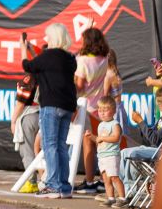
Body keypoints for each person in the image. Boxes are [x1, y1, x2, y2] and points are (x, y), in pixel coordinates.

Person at [21, 24, 78, 199]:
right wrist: (31, 49)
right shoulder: (69, 59)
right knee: (61, 146)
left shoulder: (48, 56)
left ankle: (53, 185)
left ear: (53, 38)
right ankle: (64, 186)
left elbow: (28, 66)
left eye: (47, 36)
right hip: (67, 105)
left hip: (51, 105)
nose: (46, 39)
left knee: (50, 145)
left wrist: (23, 49)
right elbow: (44, 67)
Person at [74, 27, 112, 194]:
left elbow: (80, 86)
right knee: (100, 145)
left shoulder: (83, 61)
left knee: (88, 143)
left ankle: (90, 181)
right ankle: (104, 180)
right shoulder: (104, 58)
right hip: (100, 107)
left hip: (86, 108)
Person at [88, 97, 126, 207]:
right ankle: (110, 198)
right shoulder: (101, 125)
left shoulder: (115, 124)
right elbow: (99, 140)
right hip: (102, 156)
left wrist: (102, 139)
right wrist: (92, 137)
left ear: (113, 111)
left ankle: (122, 198)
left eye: (105, 110)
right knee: (106, 179)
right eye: (100, 110)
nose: (102, 113)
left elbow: (116, 138)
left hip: (112, 155)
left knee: (114, 177)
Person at [11, 74, 42, 193]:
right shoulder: (48, 76)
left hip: (29, 116)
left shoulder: (29, 79)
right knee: (43, 152)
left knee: (27, 150)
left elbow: (20, 103)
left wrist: (13, 121)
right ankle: (47, 181)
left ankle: (31, 181)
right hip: (45, 116)